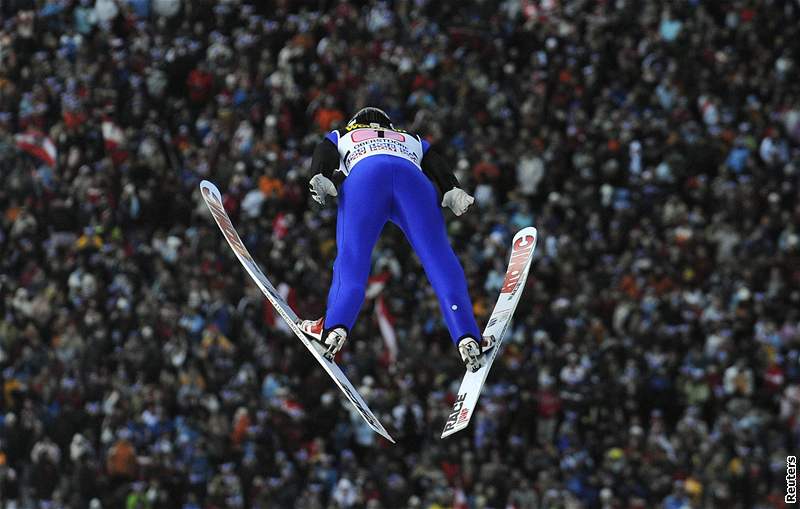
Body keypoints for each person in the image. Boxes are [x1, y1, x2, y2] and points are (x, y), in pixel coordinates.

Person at [299, 107, 489, 371]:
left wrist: (319, 174)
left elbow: (325, 150)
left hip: (366, 177)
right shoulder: (410, 136)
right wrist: (452, 188)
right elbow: (435, 161)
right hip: (413, 182)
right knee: (440, 259)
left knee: (352, 258)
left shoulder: (344, 133)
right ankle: (467, 335)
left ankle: (333, 327)